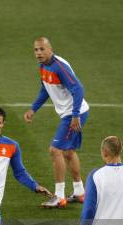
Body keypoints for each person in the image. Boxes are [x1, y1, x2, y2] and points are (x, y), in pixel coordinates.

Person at [23, 37, 90, 208]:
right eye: (36, 50)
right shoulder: (43, 66)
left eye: (42, 49)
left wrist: (75, 115)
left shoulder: (59, 66)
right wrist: (33, 109)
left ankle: (59, 196)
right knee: (68, 152)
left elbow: (78, 89)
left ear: (50, 49)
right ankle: (80, 191)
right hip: (71, 113)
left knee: (55, 150)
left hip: (74, 113)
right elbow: (45, 89)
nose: (38, 53)